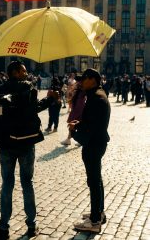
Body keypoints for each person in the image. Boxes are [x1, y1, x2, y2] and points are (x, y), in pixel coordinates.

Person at [0, 61, 50, 239]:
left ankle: (4, 226)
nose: (26, 72)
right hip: (26, 143)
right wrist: (50, 99)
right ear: (15, 73)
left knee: (7, 184)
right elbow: (32, 110)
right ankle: (31, 224)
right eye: (23, 70)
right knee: (27, 183)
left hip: (6, 144)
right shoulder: (29, 89)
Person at [68, 68, 110, 233]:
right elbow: (91, 121)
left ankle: (94, 222)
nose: (80, 82)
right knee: (96, 180)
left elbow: (91, 129)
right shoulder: (96, 95)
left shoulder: (96, 99)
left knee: (93, 182)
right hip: (97, 142)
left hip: (94, 144)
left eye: (83, 79)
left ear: (92, 80)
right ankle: (98, 213)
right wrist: (79, 123)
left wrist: (74, 132)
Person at [61, 75, 86, 146]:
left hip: (78, 110)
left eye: (77, 82)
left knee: (75, 125)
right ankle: (70, 139)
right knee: (75, 125)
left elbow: (80, 101)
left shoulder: (82, 90)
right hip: (76, 109)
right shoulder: (78, 90)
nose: (76, 83)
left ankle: (70, 139)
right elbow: (71, 98)